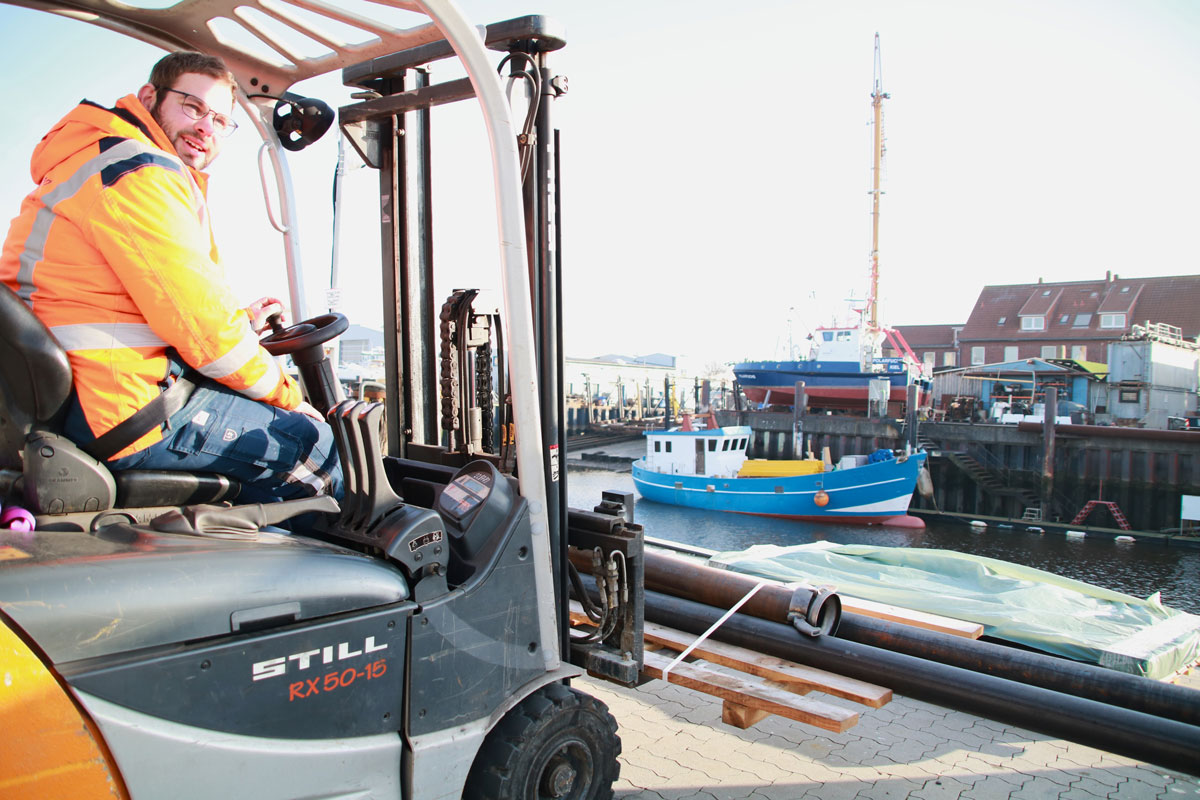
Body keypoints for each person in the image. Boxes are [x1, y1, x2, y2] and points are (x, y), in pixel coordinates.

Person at [0, 51, 342, 505]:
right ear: (150, 98)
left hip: (70, 394)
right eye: (193, 107)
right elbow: (203, 332)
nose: (206, 127)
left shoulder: (96, 160)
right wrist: (287, 395)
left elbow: (130, 304)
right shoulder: (137, 173)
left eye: (221, 120)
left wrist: (238, 322)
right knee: (317, 448)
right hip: (115, 405)